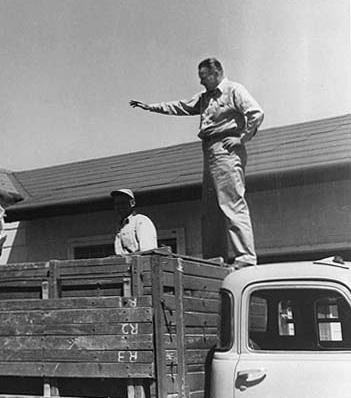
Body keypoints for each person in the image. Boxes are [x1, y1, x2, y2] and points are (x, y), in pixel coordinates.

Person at [130, 57, 264, 268]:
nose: (201, 82)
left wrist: (242, 137)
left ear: (216, 73)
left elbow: (256, 113)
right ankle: (214, 259)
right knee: (211, 208)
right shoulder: (205, 98)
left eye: (203, 77)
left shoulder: (234, 90)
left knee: (232, 203)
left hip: (226, 148)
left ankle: (246, 259)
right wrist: (150, 107)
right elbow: (180, 106)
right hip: (209, 150)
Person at [111, 188, 157, 254]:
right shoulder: (120, 226)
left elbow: (147, 252)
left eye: (123, 203)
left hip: (140, 263)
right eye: (117, 204)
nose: (120, 207)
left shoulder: (141, 221)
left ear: (132, 203)